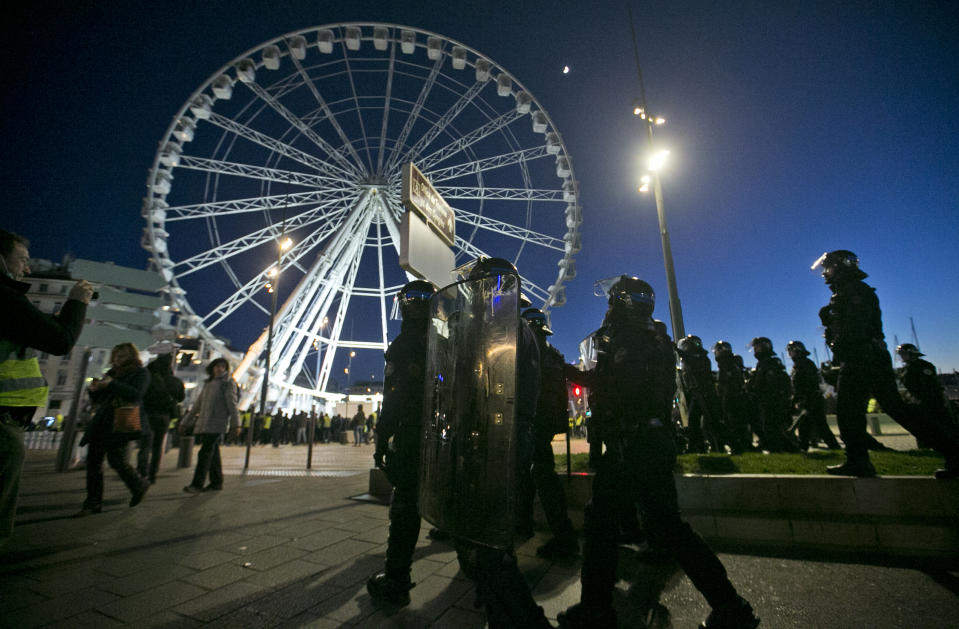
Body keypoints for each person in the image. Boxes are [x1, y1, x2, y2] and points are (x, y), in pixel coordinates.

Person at [559, 275, 758, 629]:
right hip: (651, 443)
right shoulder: (655, 339)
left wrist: (571, 374)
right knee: (670, 527)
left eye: (612, 302)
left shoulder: (630, 341)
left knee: (602, 523)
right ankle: (731, 605)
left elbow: (619, 389)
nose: (607, 308)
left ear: (623, 304)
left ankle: (595, 611)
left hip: (629, 445)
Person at [813, 250, 959, 477]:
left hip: (861, 358)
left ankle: (859, 461)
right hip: (870, 357)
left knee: (849, 411)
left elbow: (852, 332)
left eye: (827, 267)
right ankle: (952, 450)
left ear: (839, 267)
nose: (825, 272)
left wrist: (832, 330)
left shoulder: (850, 292)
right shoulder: (854, 290)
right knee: (895, 408)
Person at [1, 230, 92, 541]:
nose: (26, 269)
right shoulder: (5, 297)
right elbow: (60, 340)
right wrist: (77, 303)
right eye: (22, 261)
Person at [366, 279, 435, 607]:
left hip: (409, 435)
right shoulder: (442, 339)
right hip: (439, 434)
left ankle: (396, 578)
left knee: (405, 507)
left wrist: (382, 437)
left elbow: (394, 396)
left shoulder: (405, 343)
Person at [519, 307, 578, 560]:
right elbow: (576, 377)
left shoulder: (529, 352)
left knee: (541, 477)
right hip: (548, 424)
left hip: (531, 423)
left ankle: (564, 538)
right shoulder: (555, 354)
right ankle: (523, 523)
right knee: (530, 474)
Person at [76, 343, 152, 516]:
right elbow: (100, 400)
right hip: (103, 421)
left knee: (116, 459)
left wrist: (111, 385)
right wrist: (94, 390)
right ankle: (93, 501)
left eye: (122, 356)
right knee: (93, 462)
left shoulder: (141, 373)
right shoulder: (111, 374)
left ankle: (138, 484)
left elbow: (136, 394)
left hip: (121, 423)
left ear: (132, 356)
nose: (118, 360)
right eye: (116, 356)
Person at [897, 344, 959, 471]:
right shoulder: (905, 369)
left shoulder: (923, 366)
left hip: (930, 403)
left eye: (903, 353)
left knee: (941, 427)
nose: (901, 356)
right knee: (924, 427)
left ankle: (951, 452)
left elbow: (929, 387)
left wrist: (927, 402)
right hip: (917, 403)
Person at [182, 357, 239, 493]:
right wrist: (185, 422)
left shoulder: (227, 383)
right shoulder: (208, 384)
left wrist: (236, 425)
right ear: (212, 368)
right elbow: (197, 405)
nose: (219, 369)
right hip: (205, 422)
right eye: (217, 366)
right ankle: (216, 482)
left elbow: (232, 405)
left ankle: (197, 484)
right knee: (213, 454)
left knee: (204, 453)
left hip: (217, 423)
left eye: (222, 367)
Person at [137, 351, 185, 483]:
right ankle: (153, 474)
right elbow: (181, 398)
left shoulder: (148, 378)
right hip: (164, 416)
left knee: (145, 445)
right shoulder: (175, 381)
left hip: (147, 414)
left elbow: (140, 394)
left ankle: (141, 472)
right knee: (158, 447)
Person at [746, 337, 797, 453]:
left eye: (756, 347)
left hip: (771, 401)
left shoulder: (769, 363)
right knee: (770, 427)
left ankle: (779, 449)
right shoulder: (765, 363)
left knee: (771, 427)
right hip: (767, 401)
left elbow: (768, 385)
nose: (755, 350)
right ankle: (783, 448)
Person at [787, 341, 840, 450]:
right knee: (805, 426)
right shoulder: (800, 364)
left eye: (790, 351)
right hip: (807, 400)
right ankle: (804, 446)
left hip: (812, 400)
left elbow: (809, 384)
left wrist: (804, 399)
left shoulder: (805, 364)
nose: (789, 354)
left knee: (820, 425)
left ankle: (834, 446)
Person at [677, 335, 726, 453]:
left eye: (687, 345)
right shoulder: (693, 358)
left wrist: (676, 349)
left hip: (705, 394)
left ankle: (721, 445)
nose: (685, 348)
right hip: (696, 394)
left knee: (712, 421)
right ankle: (696, 447)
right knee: (693, 422)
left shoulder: (700, 358)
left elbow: (692, 362)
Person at [712, 340, 754, 452]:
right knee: (737, 424)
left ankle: (742, 447)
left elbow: (729, 385)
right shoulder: (727, 365)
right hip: (732, 399)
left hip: (733, 400)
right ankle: (744, 445)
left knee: (736, 424)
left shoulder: (728, 366)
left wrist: (725, 398)